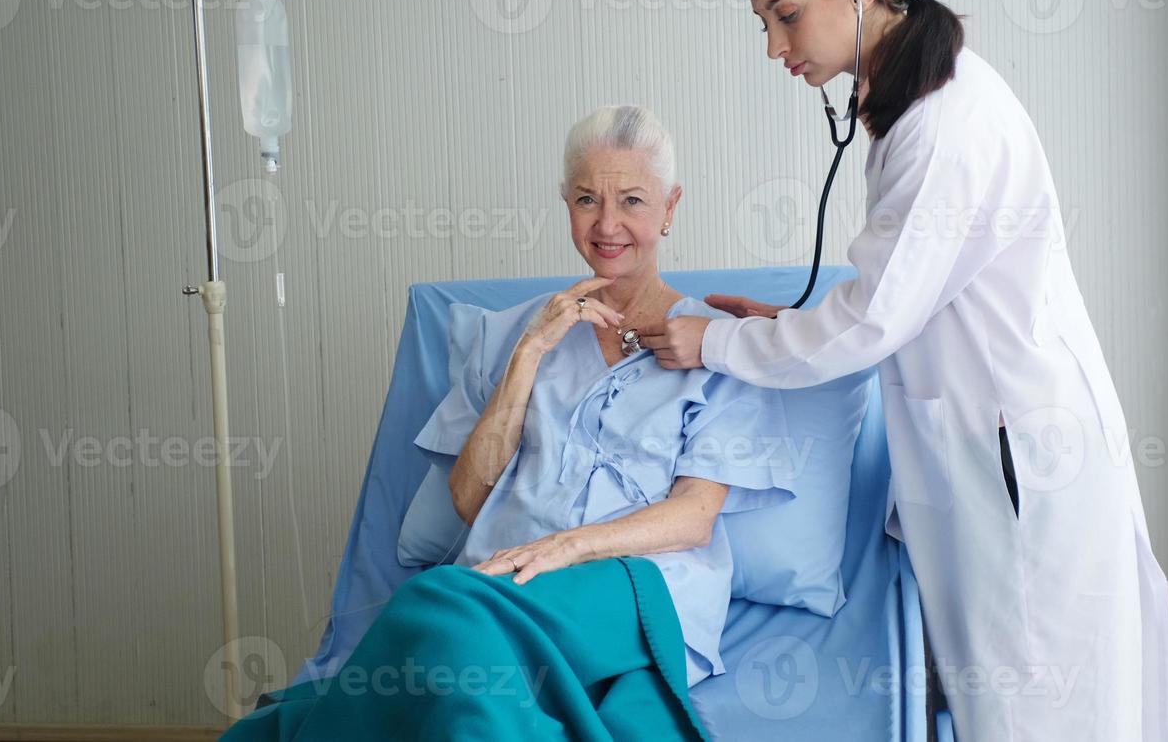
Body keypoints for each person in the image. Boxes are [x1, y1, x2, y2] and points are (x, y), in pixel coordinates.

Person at [640, 0, 1168, 741]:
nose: (778, 47)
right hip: (992, 449)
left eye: (786, 16)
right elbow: (911, 298)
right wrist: (786, 321)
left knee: (1035, 709)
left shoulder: (942, 122)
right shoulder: (915, 99)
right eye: (765, 26)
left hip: (1018, 465)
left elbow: (872, 322)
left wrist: (715, 339)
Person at [221, 105, 792, 741]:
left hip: (639, 585)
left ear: (670, 208)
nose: (607, 224)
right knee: (453, 638)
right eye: (586, 200)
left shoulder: (719, 347)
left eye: (632, 199)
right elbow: (467, 499)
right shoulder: (508, 335)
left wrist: (567, 547)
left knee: (434, 612)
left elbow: (695, 515)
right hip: (506, 582)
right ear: (565, 204)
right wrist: (530, 353)